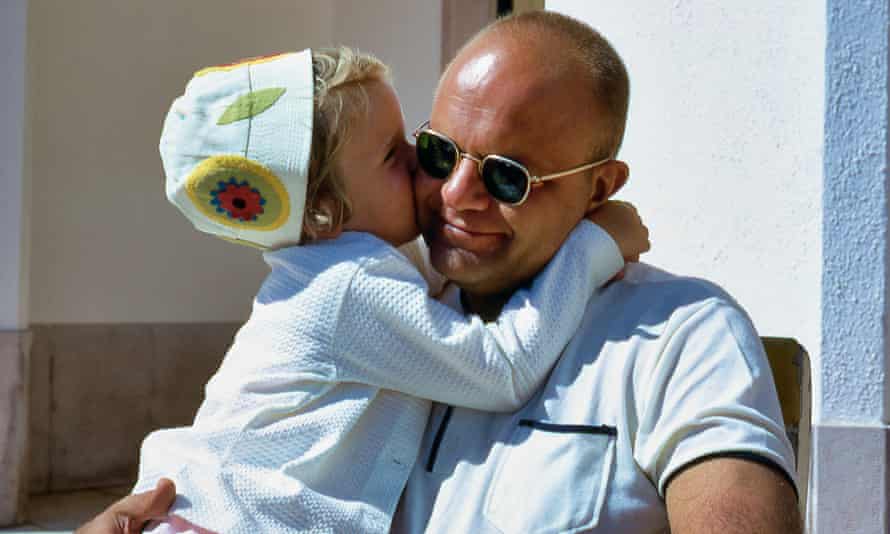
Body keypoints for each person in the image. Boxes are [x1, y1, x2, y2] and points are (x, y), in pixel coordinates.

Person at [78, 10, 802, 534]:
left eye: (510, 177)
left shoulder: (678, 335)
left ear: (600, 189)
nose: (455, 194)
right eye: (430, 154)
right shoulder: (374, 296)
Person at [126, 46, 648, 534]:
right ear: (326, 210)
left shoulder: (342, 268)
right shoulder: (347, 287)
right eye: (393, 156)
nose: (422, 161)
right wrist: (591, 245)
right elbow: (502, 368)